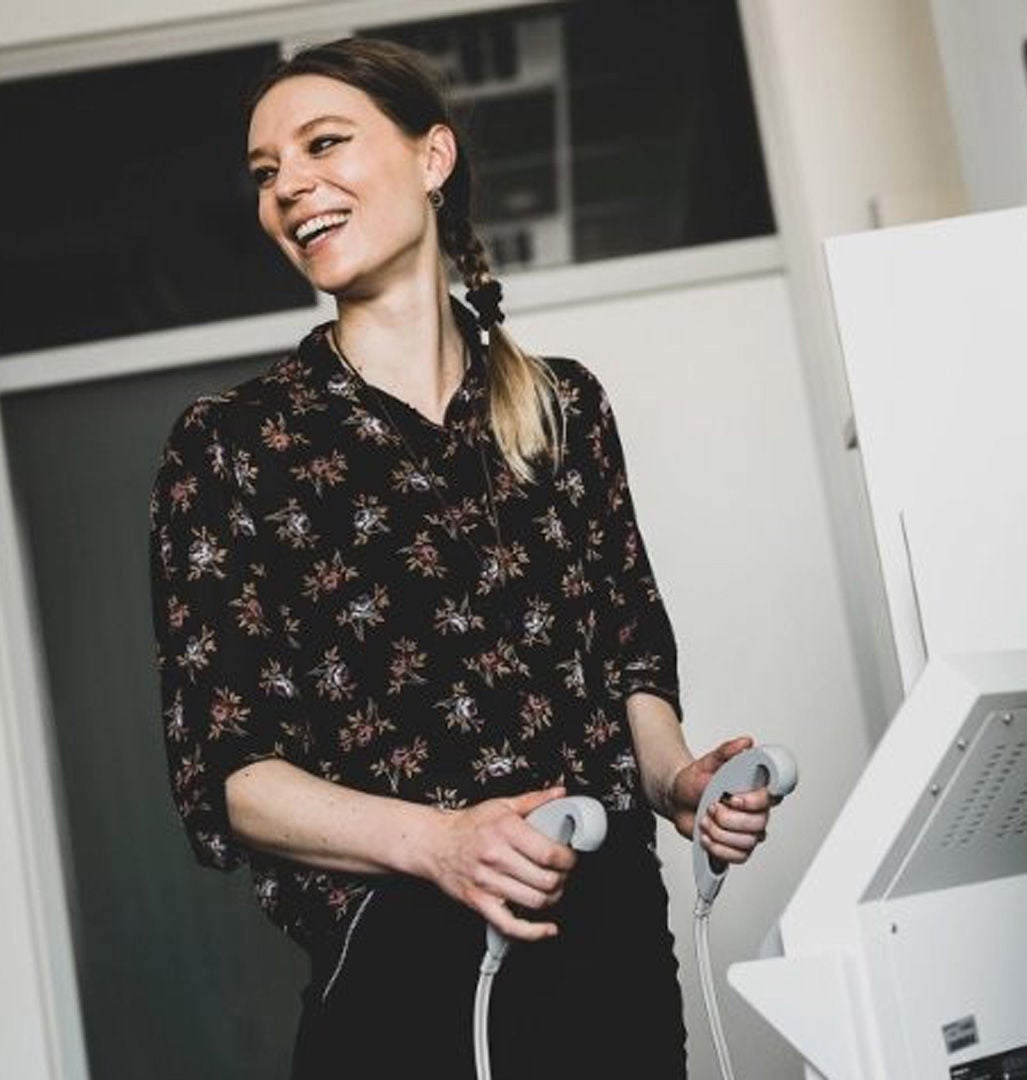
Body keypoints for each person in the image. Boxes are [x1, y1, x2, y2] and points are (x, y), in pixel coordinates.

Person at [148, 37, 772, 1078]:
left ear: (432, 157)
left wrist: (677, 780)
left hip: (611, 949)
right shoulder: (232, 446)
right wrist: (439, 842)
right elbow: (231, 777)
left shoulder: (564, 407)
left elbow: (628, 654)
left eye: (323, 144)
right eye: (265, 172)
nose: (288, 186)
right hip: (400, 968)